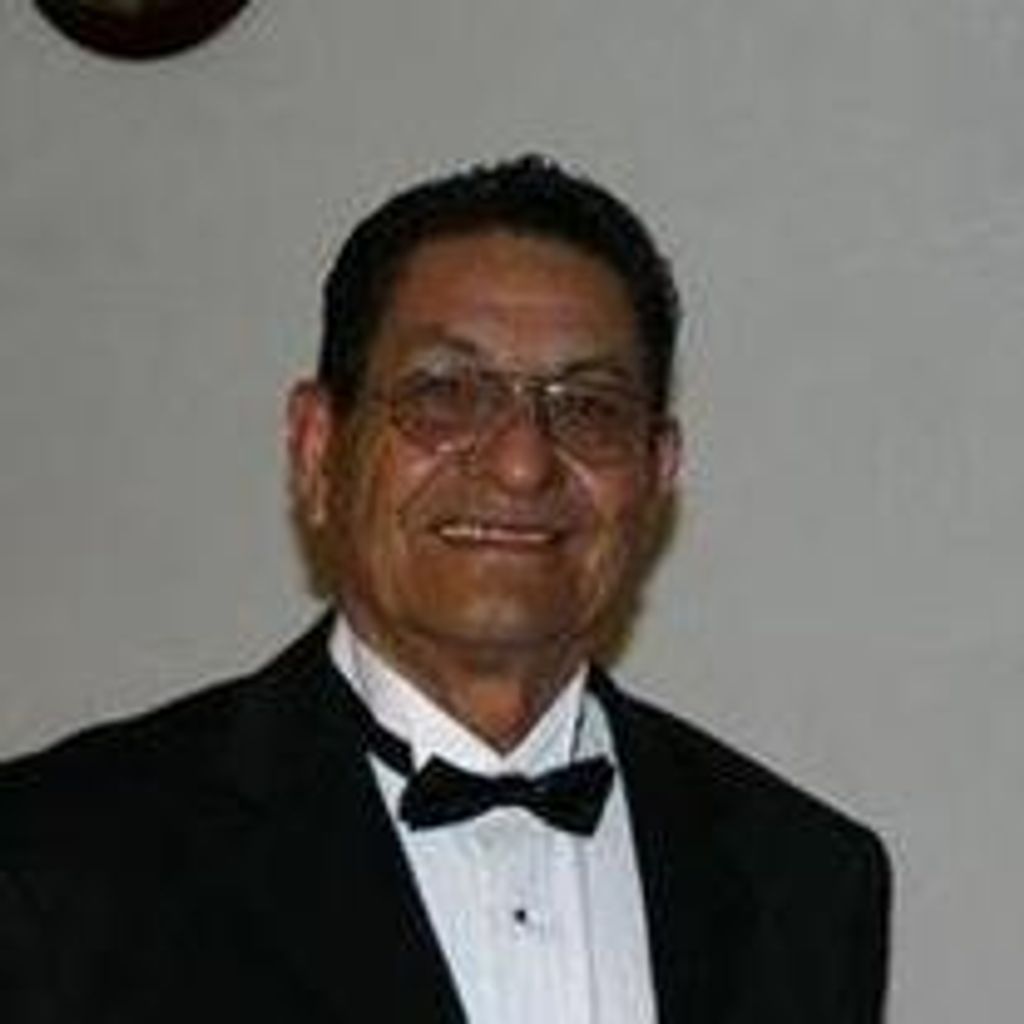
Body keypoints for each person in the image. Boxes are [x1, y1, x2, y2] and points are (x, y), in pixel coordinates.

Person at [0, 156, 890, 1023]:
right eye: (447, 393)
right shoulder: (58, 863)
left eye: (587, 407)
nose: (521, 463)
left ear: (658, 473)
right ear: (318, 449)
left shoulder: (803, 880)